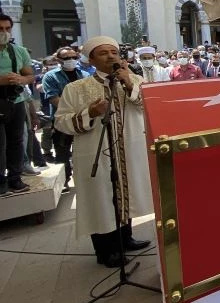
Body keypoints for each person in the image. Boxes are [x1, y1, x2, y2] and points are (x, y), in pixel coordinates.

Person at [54, 36, 152, 267]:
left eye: (114, 52)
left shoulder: (136, 80)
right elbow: (61, 121)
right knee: (100, 200)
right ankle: (106, 251)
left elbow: (150, 106)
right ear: (90, 60)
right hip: (95, 154)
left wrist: (129, 83)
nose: (110, 56)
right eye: (103, 53)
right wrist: (90, 112)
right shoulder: (76, 88)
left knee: (125, 192)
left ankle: (126, 238)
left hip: (129, 149)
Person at [42, 46, 90, 192]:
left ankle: (85, 179)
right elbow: (53, 98)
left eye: (74, 57)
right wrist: (73, 111)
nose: (71, 60)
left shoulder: (84, 74)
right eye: (67, 58)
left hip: (83, 118)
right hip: (63, 120)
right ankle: (64, 181)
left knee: (85, 151)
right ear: (59, 60)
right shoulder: (51, 76)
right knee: (62, 152)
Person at [0, 13, 35, 196]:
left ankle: (15, 177)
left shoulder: (19, 51)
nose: (4, 32)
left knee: (17, 141)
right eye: (0, 29)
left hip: (16, 101)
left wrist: (21, 79)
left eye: (7, 28)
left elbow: (30, 76)